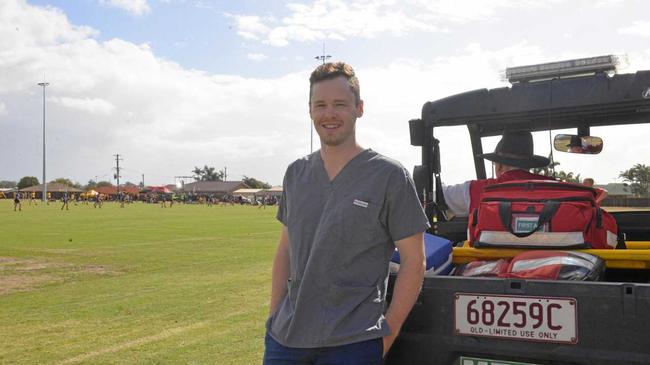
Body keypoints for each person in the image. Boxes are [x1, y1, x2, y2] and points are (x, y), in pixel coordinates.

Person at [264, 62, 429, 364]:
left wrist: (387, 334)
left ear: (359, 108)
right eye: (321, 105)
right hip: (286, 341)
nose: (329, 114)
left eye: (340, 104)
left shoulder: (389, 176)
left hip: (354, 342)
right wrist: (274, 317)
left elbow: (414, 261)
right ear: (310, 110)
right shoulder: (296, 173)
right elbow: (285, 250)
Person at [442, 131, 553, 217]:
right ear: (529, 165)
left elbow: (440, 195)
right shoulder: (556, 188)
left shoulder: (476, 190)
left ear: (499, 166)